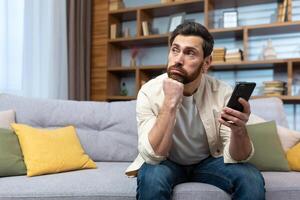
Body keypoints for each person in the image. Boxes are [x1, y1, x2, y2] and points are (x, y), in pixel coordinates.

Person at [125, 22, 265, 200]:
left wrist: (239, 131)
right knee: (152, 177)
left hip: (208, 162)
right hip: (167, 162)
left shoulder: (222, 92)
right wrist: (170, 103)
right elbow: (153, 156)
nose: (178, 60)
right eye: (175, 50)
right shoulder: (149, 91)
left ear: (206, 63)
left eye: (190, 53)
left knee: (250, 177)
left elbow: (239, 158)